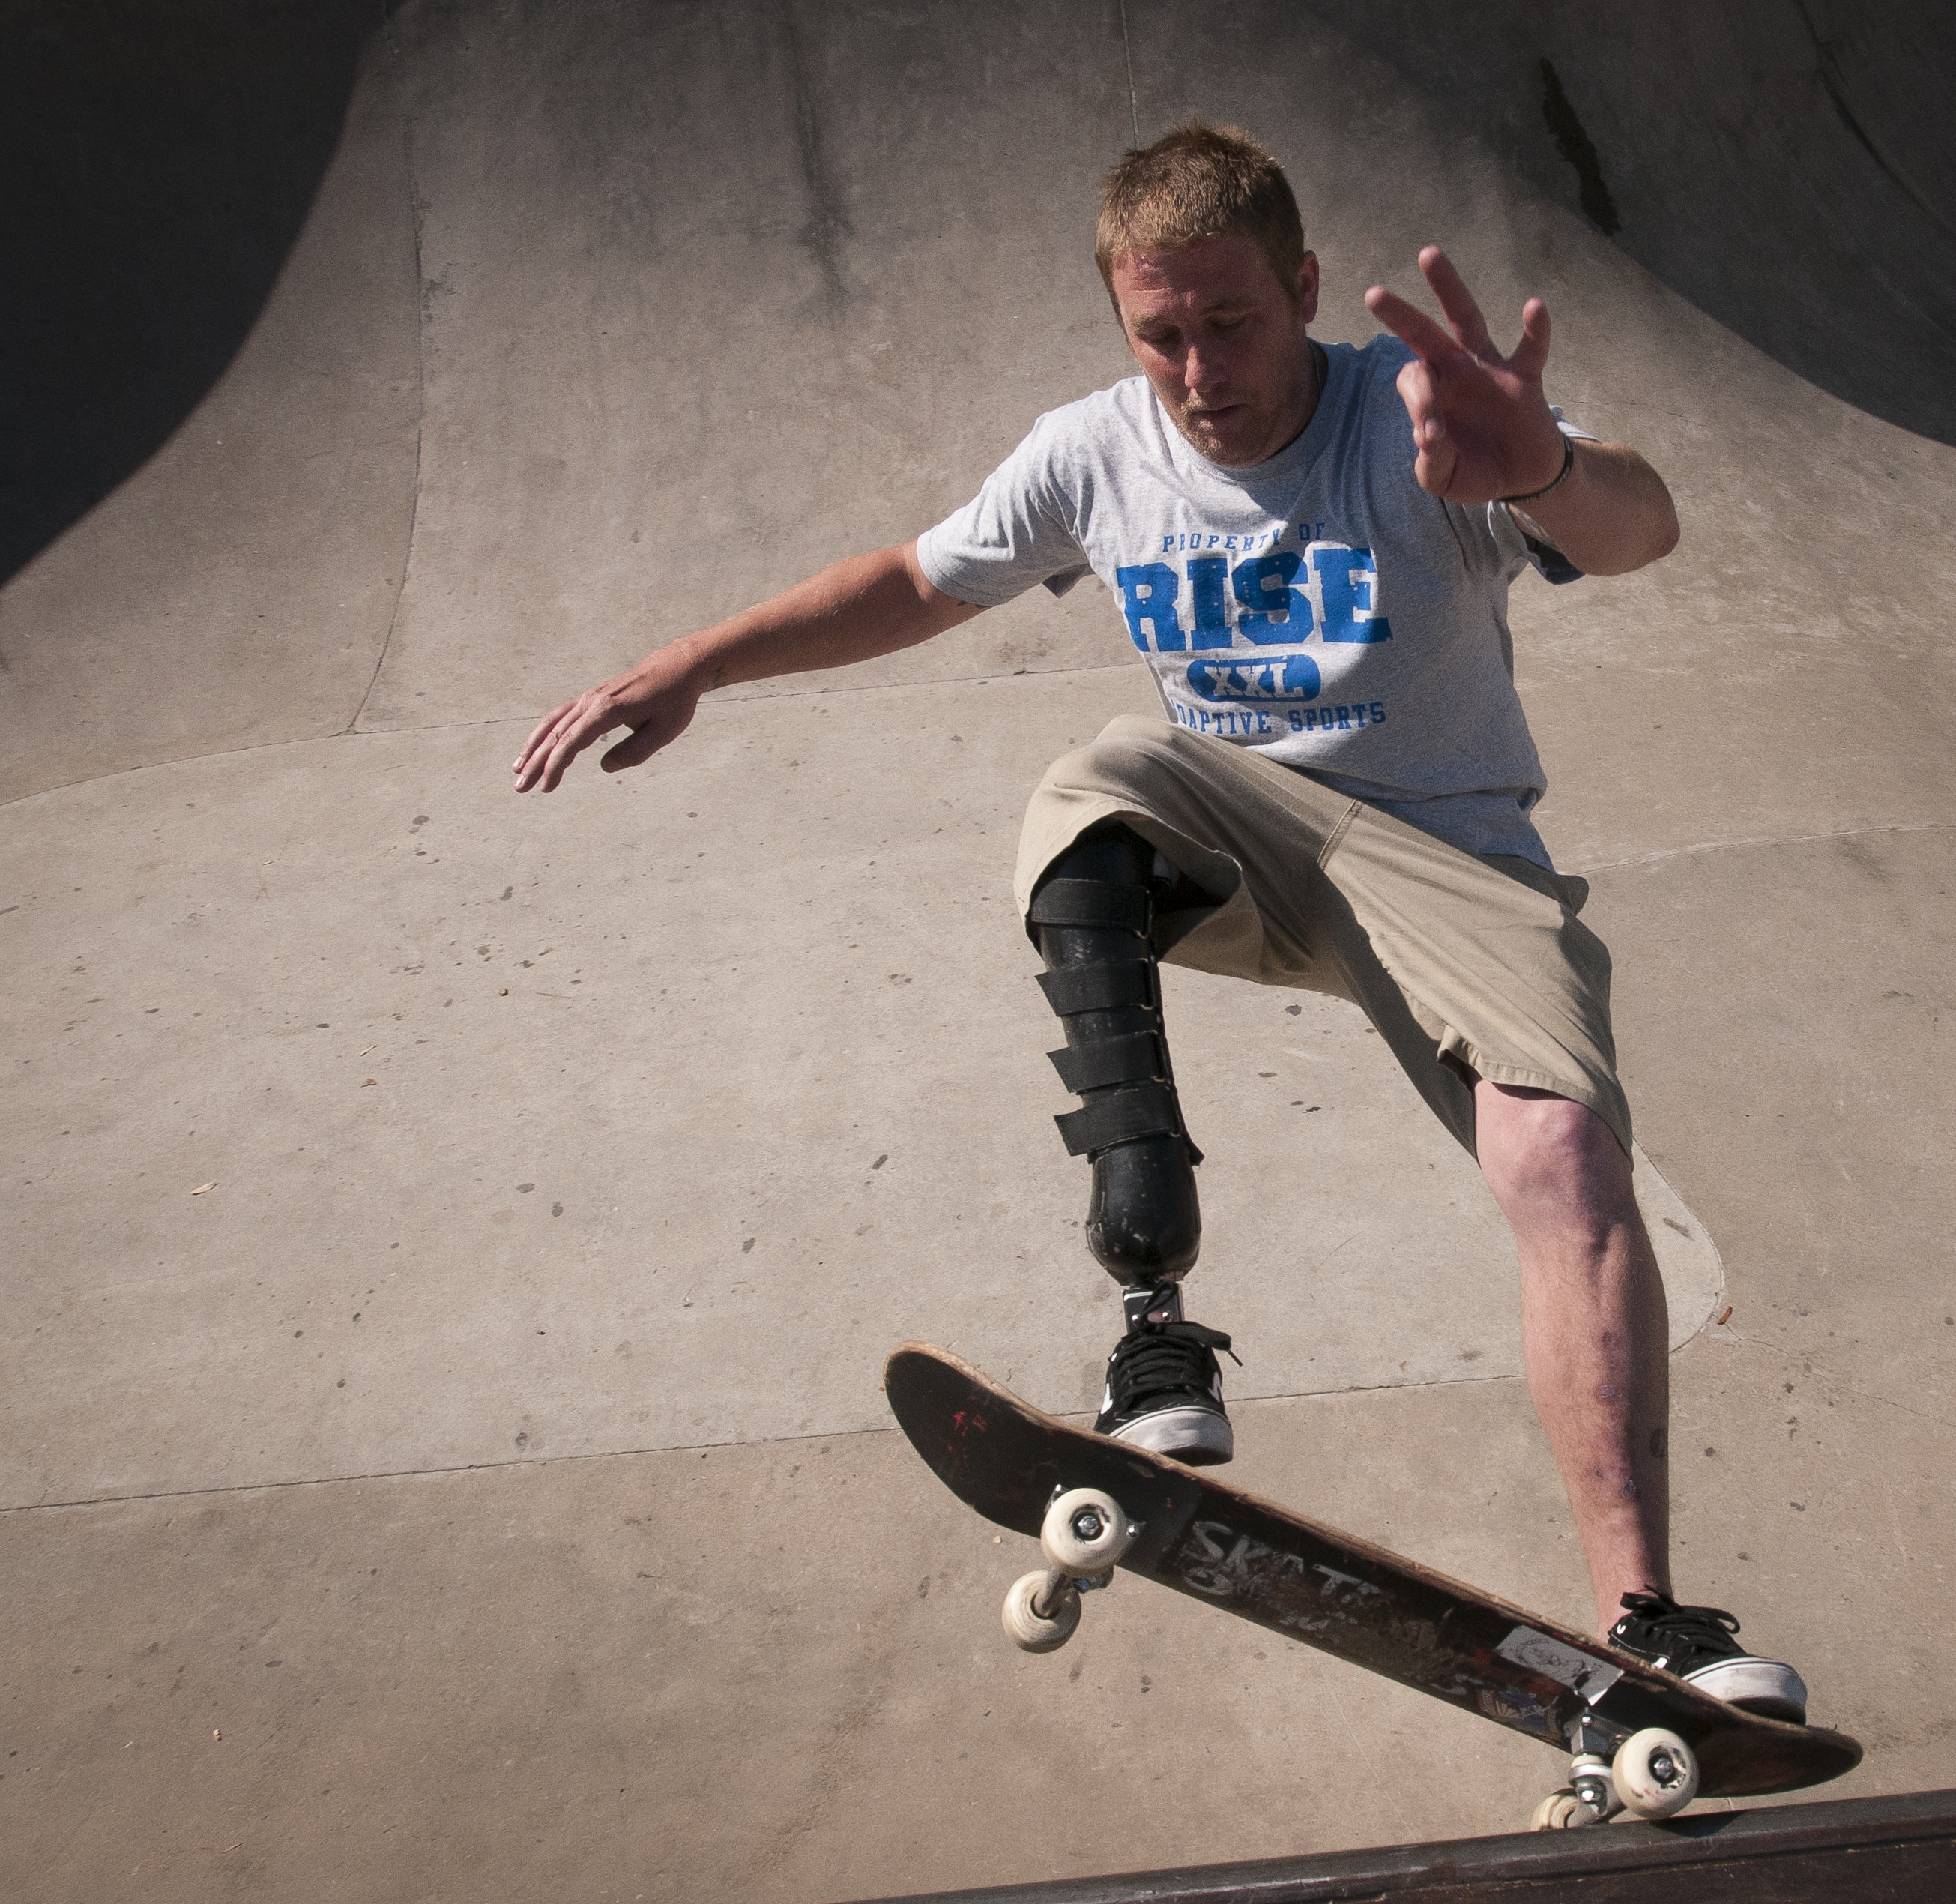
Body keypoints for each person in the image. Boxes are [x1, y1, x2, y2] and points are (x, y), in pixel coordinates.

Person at [512, 123, 1805, 1719]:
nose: (1200, 370)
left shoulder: (1422, 417)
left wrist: (1543, 466)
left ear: (1307, 288)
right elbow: (918, 581)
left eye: (1234, 323)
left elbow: (1642, 527)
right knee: (1093, 788)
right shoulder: (1095, 451)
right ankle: (1156, 1331)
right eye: (1161, 334)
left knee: (1562, 1161)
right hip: (1239, 832)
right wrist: (699, 658)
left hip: (1451, 859)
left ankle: (1646, 1622)